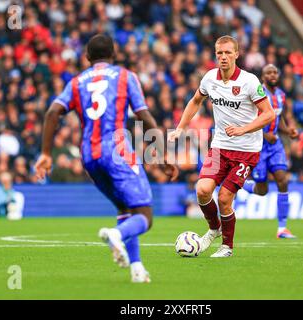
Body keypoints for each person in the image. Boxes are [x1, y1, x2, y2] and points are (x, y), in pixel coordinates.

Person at [35, 34, 178, 283]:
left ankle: (137, 269)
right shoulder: (124, 76)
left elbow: (52, 112)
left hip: (89, 156)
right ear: (114, 54)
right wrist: (162, 153)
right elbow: (145, 117)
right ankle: (116, 234)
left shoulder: (77, 81)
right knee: (145, 215)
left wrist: (46, 153)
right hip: (116, 150)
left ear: (87, 57)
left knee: (125, 208)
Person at [169, 35, 275, 257]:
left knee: (225, 198)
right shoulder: (209, 79)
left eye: (228, 52)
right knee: (202, 191)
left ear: (237, 54)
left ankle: (227, 246)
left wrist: (243, 129)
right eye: (219, 53)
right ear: (215, 55)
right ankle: (214, 229)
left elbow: (268, 114)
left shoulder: (249, 82)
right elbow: (196, 101)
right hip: (220, 146)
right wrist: (180, 127)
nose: (223, 57)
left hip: (246, 151)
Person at [243, 64, 299, 239]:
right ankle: (241, 184)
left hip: (275, 146)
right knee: (263, 190)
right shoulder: (257, 94)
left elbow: (278, 117)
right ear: (263, 76)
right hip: (258, 144)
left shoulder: (281, 95)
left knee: (283, 180)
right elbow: (249, 118)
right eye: (269, 72)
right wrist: (265, 134)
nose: (273, 75)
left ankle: (282, 228)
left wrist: (287, 130)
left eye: (275, 72)